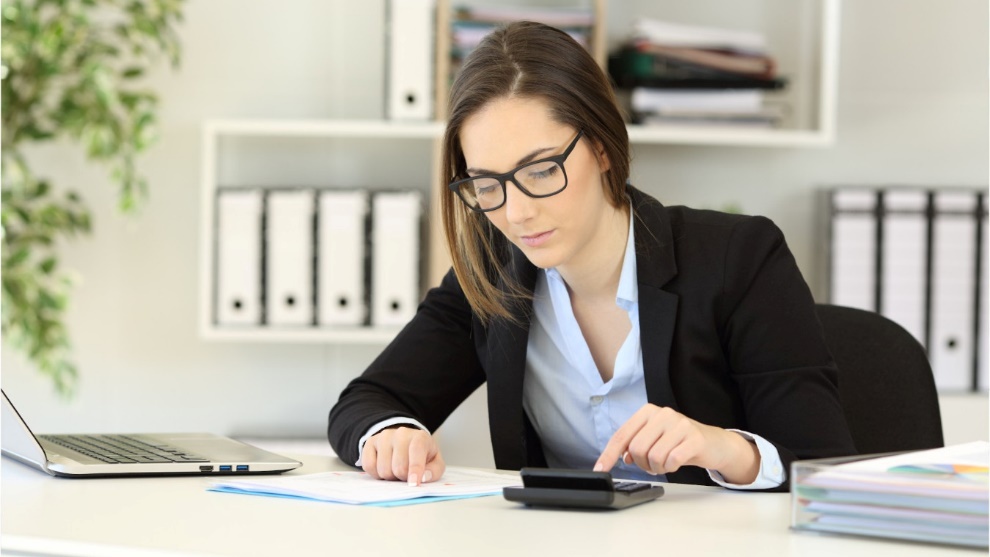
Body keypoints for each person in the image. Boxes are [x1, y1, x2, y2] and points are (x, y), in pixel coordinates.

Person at [328, 21, 856, 492]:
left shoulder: (738, 258)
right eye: (487, 184)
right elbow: (365, 402)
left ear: (602, 146)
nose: (516, 213)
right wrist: (391, 432)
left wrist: (721, 448)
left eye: (539, 171)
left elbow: (821, 464)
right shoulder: (494, 272)